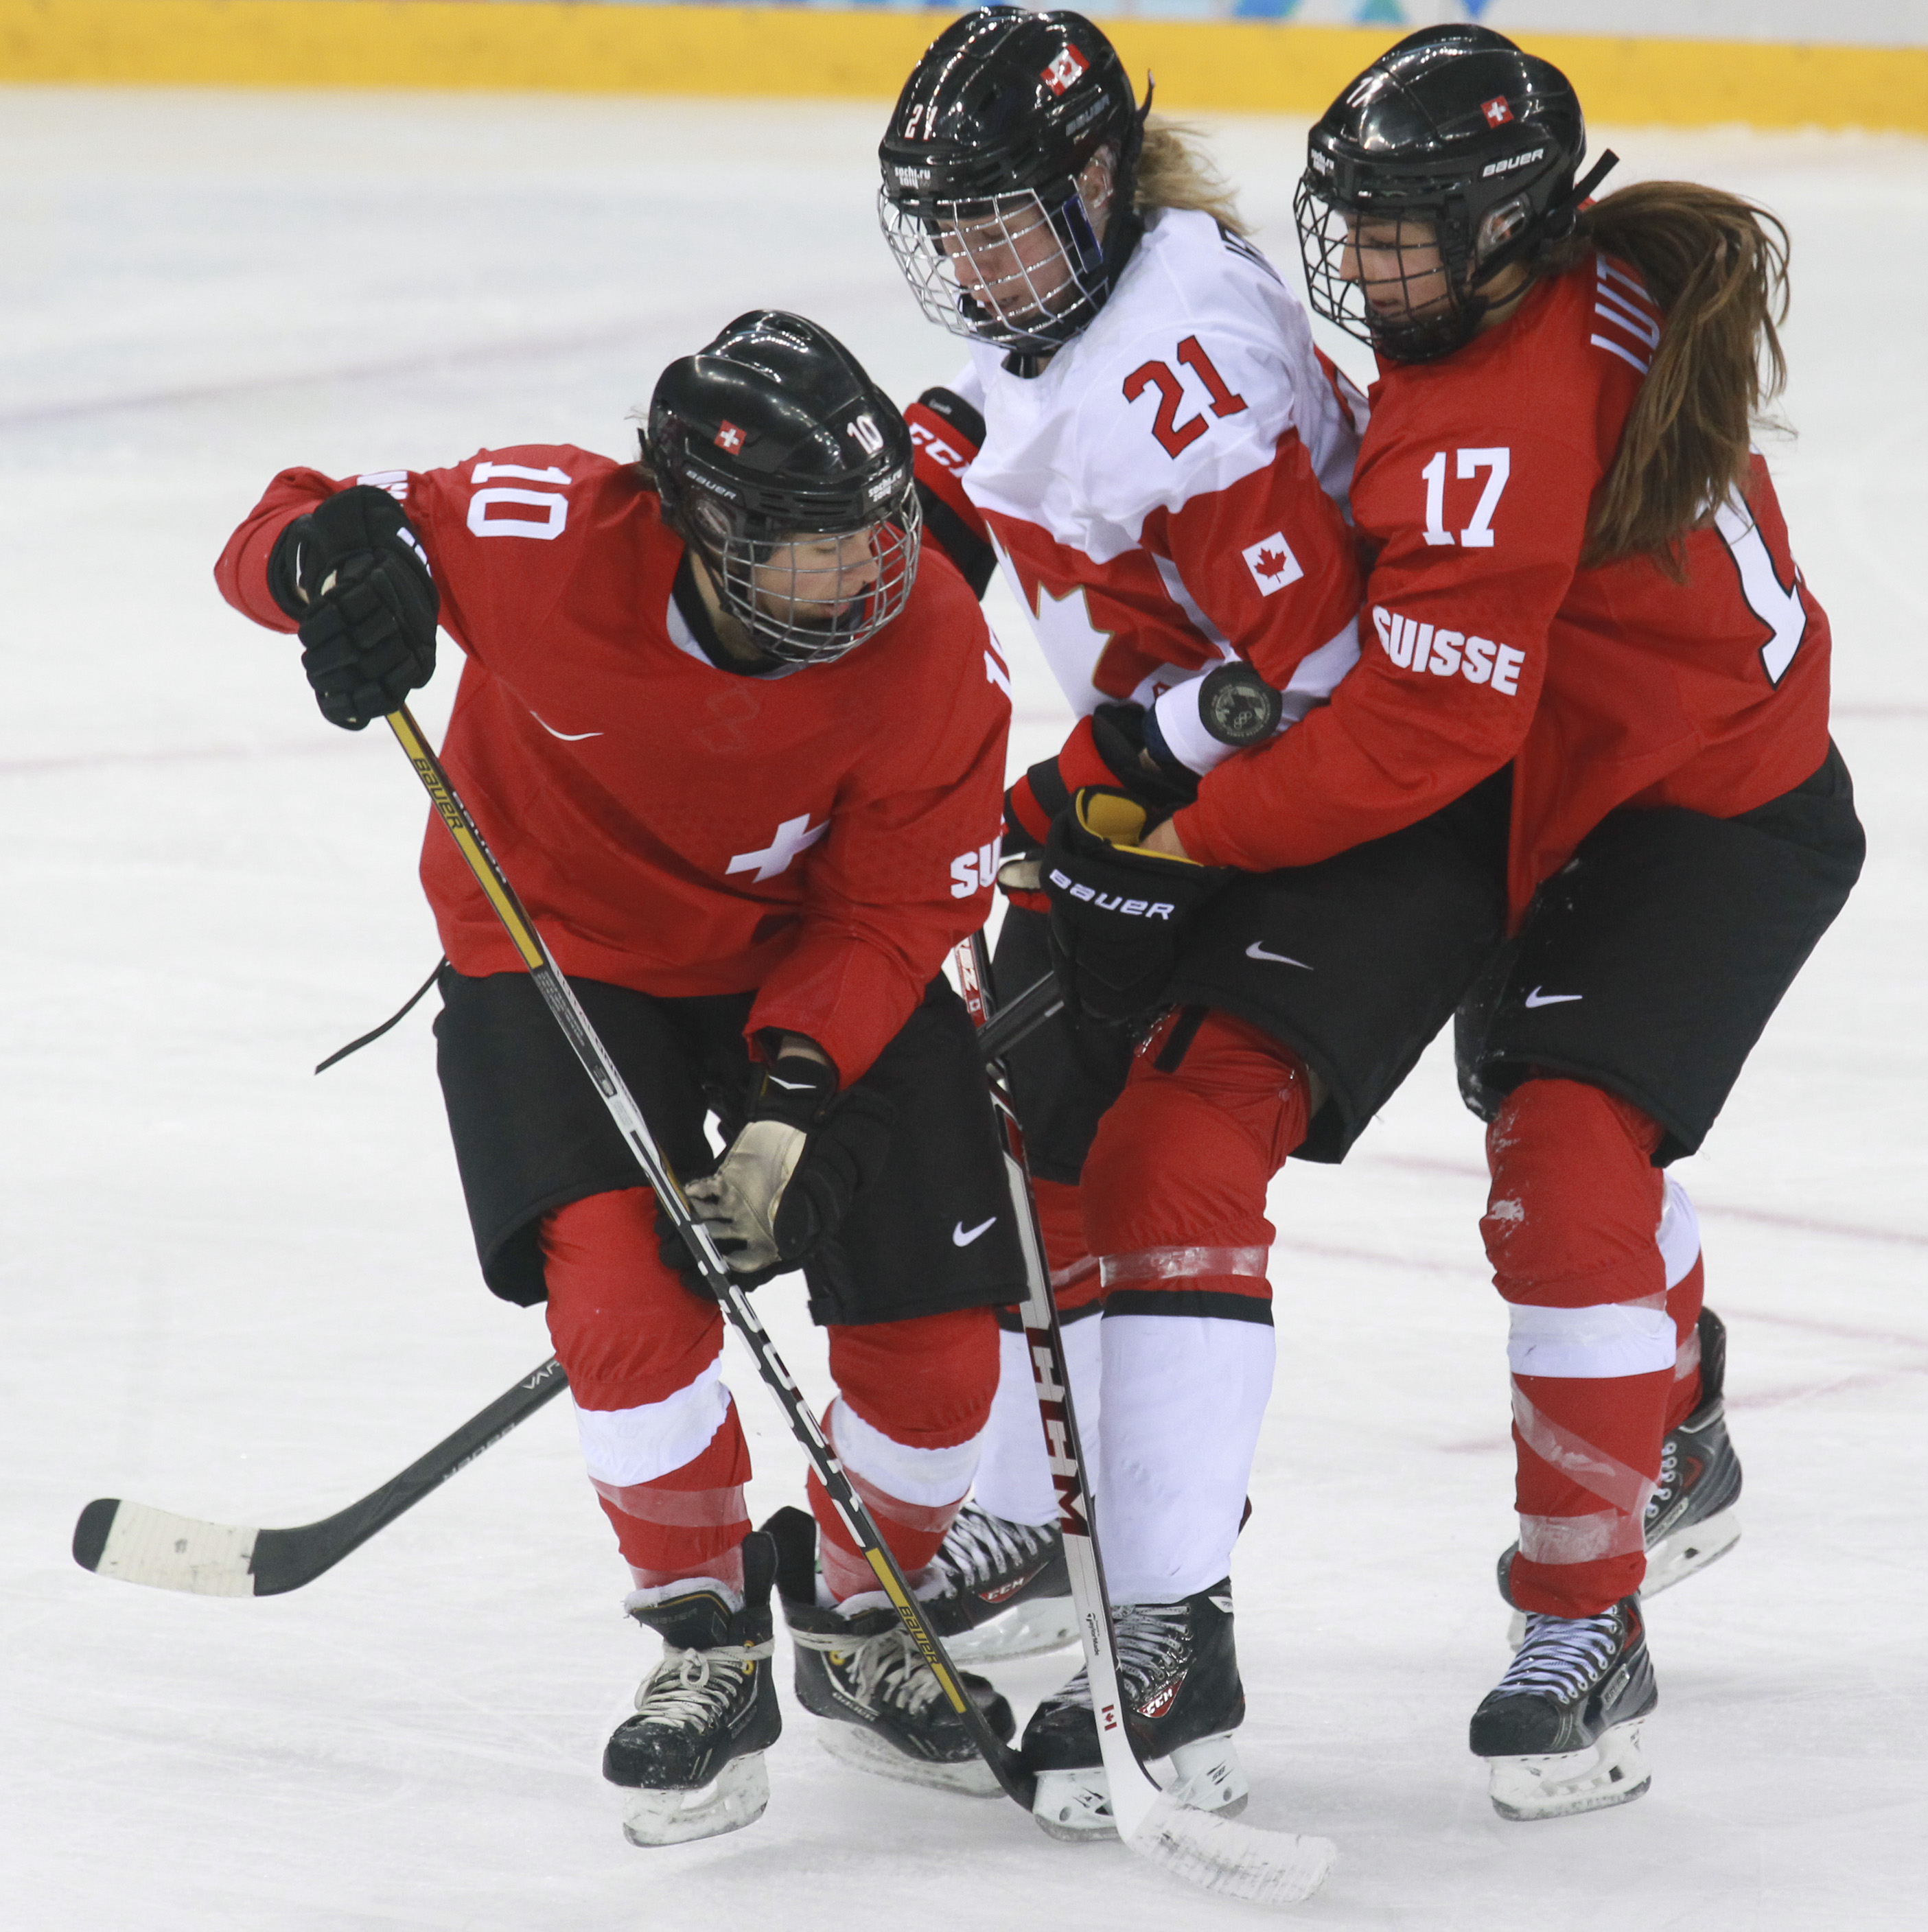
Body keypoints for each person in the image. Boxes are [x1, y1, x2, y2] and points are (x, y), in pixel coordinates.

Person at [1082, 23, 1858, 1822]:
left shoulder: (1493, 421)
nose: (1362, 265)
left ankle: (1586, 1621)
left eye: (1406, 234)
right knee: (1569, 1127)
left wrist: (1189, 826)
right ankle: (1677, 1407)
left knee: (1567, 1156)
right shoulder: (1575, 283)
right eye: (1350, 225)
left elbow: (1428, 731)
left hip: (1701, 808)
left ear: (1514, 229)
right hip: (1610, 768)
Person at [213, 312, 1032, 1846]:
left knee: (935, 1343)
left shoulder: (930, 646)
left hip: (808, 954)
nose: (867, 571)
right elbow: (297, 518)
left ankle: (864, 1620)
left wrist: (790, 1112)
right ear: (701, 531)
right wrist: (324, 569)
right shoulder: (540, 531)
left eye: (881, 527)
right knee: (620, 1301)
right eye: (813, 546)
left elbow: (895, 905)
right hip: (555, 945)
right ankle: (704, 1638)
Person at [879, 8, 1509, 1837]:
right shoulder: (1099, 304)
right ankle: (1013, 1528)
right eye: (949, 226)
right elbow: (994, 450)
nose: (972, 262)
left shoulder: (1182, 365)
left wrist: (1118, 843)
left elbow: (1312, 683)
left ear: (1092, 182)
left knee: (1165, 1161)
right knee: (1015, 1136)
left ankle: (1168, 1640)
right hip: (1168, 794)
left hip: (1360, 813)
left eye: (1001, 216)